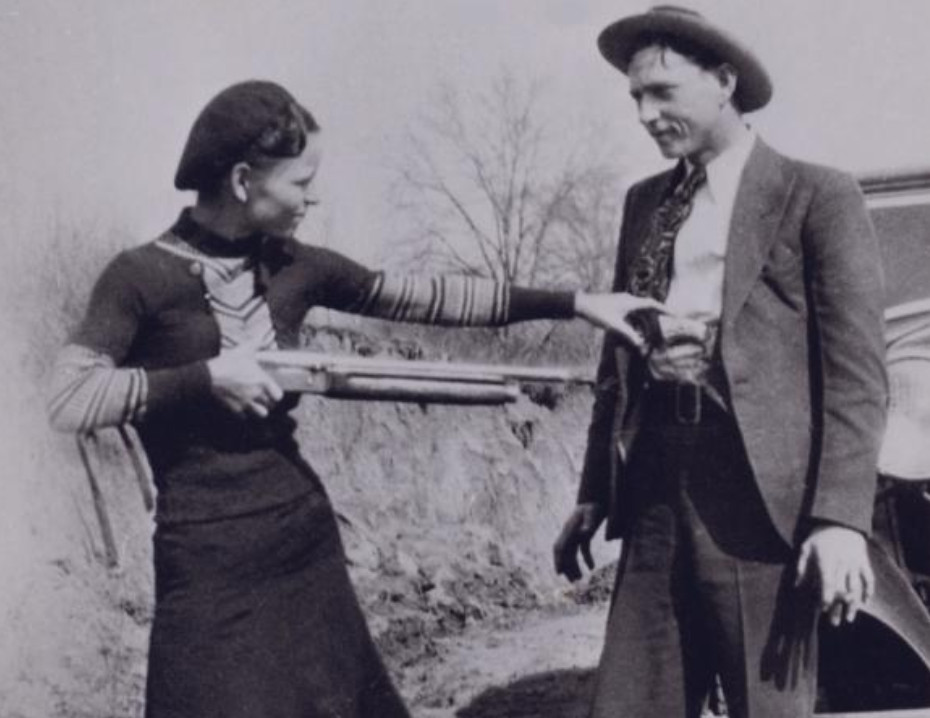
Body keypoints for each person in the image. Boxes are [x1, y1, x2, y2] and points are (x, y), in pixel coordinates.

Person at [45, 80, 660, 718]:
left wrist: (578, 303)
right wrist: (206, 378)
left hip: (304, 549)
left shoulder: (295, 265)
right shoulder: (138, 278)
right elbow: (69, 397)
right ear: (242, 180)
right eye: (301, 181)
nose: (313, 196)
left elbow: (427, 297)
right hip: (204, 566)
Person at [552, 6, 887, 718]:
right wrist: (594, 491)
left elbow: (857, 377)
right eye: (635, 97)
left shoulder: (816, 196)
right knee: (630, 702)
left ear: (725, 82)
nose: (645, 114)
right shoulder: (644, 203)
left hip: (758, 499)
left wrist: (839, 520)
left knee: (765, 705)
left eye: (662, 92)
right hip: (653, 485)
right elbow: (618, 360)